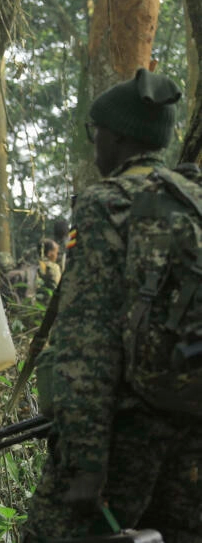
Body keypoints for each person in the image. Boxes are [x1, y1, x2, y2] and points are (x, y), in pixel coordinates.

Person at [23, 69, 202, 541]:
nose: (94, 144)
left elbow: (88, 342)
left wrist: (84, 461)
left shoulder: (106, 203)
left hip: (128, 430)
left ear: (119, 136)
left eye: (95, 132)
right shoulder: (193, 200)